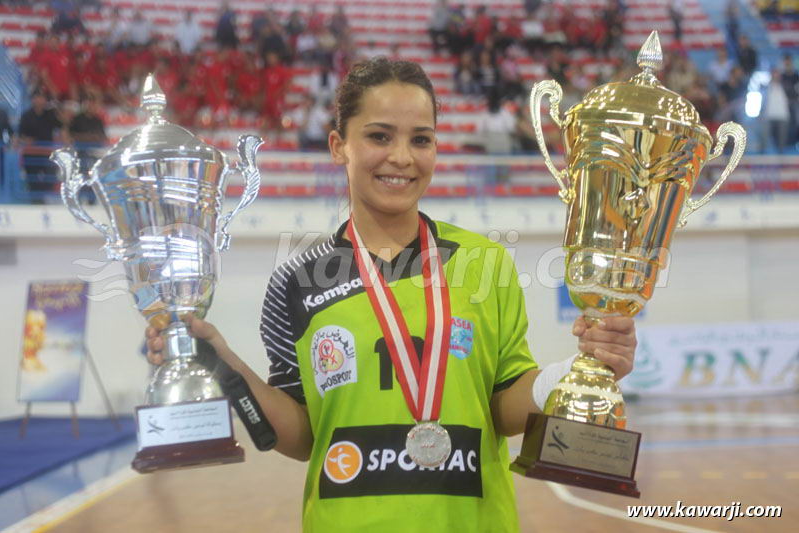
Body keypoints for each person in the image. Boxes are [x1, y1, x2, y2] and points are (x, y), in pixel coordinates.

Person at [145, 57, 637, 532]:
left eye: (420, 140)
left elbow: (503, 408)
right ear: (340, 145)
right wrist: (218, 360)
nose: (402, 157)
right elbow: (301, 435)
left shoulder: (486, 263)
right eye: (379, 136)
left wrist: (570, 378)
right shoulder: (296, 280)